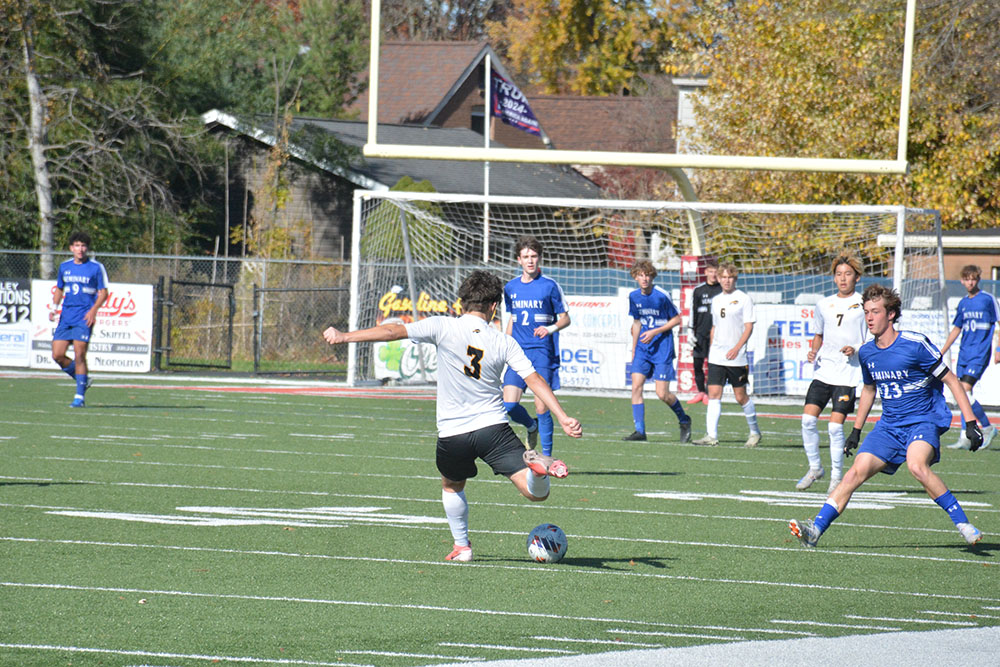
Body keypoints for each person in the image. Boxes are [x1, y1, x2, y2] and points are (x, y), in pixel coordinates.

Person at [323, 270, 582, 563]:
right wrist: (561, 416)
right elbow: (534, 379)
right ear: (494, 307)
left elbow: (393, 331)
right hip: (493, 428)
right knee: (537, 495)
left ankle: (463, 547)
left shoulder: (442, 326)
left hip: (452, 433)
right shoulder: (503, 342)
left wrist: (345, 336)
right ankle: (536, 469)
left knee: (451, 484)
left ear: (461, 304)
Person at [790, 284, 985, 548]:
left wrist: (971, 423)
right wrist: (856, 431)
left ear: (891, 314)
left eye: (875, 312)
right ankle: (815, 530)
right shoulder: (868, 352)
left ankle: (964, 524)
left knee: (917, 466)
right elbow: (869, 390)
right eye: (866, 312)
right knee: (853, 474)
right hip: (889, 426)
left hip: (922, 420)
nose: (869, 317)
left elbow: (952, 380)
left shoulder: (915, 344)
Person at [796, 252, 868, 493]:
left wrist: (856, 348)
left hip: (848, 374)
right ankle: (816, 468)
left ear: (857, 277)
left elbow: (872, 337)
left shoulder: (864, 303)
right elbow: (818, 335)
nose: (843, 278)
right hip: (823, 371)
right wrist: (813, 352)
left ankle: (837, 477)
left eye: (848, 274)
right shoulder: (823, 304)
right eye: (839, 274)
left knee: (835, 427)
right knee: (807, 420)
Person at [502, 236, 570, 456]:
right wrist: (504, 344)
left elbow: (565, 319)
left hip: (542, 352)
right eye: (525, 257)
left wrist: (549, 329)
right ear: (518, 260)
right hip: (517, 353)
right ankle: (531, 426)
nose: (530, 260)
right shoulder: (510, 287)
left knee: (542, 406)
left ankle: (548, 458)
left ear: (539, 258)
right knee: (509, 405)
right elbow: (512, 318)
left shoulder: (550, 286)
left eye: (533, 256)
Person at [693, 263, 761, 447]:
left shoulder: (744, 299)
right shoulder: (716, 300)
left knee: (740, 397)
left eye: (730, 277)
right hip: (717, 355)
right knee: (714, 393)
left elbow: (748, 326)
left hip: (736, 356)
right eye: (723, 277)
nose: (726, 280)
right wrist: (713, 347)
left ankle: (754, 432)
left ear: (735, 279)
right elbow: (715, 326)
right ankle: (711, 436)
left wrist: (738, 347)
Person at [622, 260, 692, 442]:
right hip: (643, 350)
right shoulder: (634, 296)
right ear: (635, 277)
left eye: (647, 275)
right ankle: (640, 431)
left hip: (662, 349)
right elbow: (637, 323)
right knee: (636, 386)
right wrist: (634, 348)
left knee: (662, 394)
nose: (644, 279)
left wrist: (655, 331)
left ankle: (684, 420)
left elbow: (677, 319)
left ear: (652, 276)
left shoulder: (661, 295)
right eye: (640, 275)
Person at [941, 265, 999, 451]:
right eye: (967, 279)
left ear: (978, 280)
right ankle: (967, 435)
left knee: (964, 391)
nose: (970, 282)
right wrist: (942, 351)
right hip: (964, 353)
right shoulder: (964, 303)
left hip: (979, 354)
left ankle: (987, 427)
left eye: (973, 279)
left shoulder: (987, 299)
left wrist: (998, 348)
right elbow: (957, 329)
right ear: (962, 281)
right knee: (961, 394)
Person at [51, 230, 109, 408]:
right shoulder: (65, 266)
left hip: (83, 317)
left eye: (83, 246)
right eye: (77, 245)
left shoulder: (95, 267)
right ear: (71, 248)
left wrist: (93, 310)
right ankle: (82, 378)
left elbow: (103, 292)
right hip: (66, 316)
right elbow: (60, 289)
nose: (80, 249)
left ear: (87, 248)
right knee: (57, 355)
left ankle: (79, 396)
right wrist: (54, 308)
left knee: (79, 354)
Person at [688, 258, 722, 405]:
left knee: (713, 365)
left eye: (716, 272)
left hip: (718, 335)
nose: (713, 275)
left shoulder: (722, 290)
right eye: (710, 271)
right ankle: (700, 391)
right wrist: (690, 331)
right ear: (705, 272)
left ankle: (709, 393)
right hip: (700, 333)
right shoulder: (698, 290)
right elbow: (692, 312)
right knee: (697, 363)